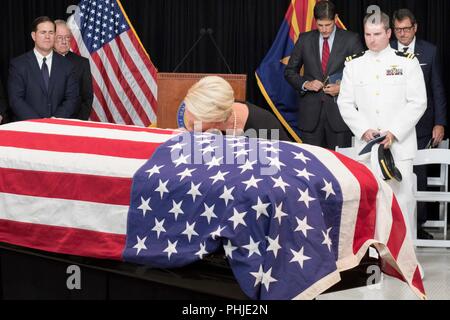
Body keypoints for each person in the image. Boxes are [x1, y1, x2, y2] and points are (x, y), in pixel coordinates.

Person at [337, 11, 427, 235]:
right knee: (370, 207)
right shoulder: (354, 65)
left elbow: (418, 102)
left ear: (388, 33)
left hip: (398, 148)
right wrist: (363, 129)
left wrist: (394, 132)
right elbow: (345, 103)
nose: (372, 39)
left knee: (402, 206)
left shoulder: (406, 62)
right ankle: (374, 261)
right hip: (366, 150)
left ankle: (406, 267)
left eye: (377, 34)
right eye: (368, 34)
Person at [391, 9, 448, 239]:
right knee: (394, 174)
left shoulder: (430, 51)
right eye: (398, 30)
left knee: (419, 174)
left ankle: (418, 224)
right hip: (393, 125)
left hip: (423, 124)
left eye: (406, 29)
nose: (402, 34)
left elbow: (437, 89)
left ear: (415, 28)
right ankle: (395, 224)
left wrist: (440, 122)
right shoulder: (387, 50)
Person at [284, 0, 363, 149]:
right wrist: (306, 84)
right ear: (315, 21)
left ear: (335, 19)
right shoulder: (304, 39)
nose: (324, 29)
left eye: (328, 25)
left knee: (341, 165)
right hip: (310, 117)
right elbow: (289, 72)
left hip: (340, 116)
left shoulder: (351, 40)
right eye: (320, 25)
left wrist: (341, 88)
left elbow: (362, 76)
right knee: (311, 165)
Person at [8, 16, 78, 121]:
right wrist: (39, 124)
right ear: (33, 36)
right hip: (28, 128)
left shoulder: (67, 65)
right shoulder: (18, 65)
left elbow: (72, 99)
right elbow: (16, 100)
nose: (47, 37)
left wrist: (54, 120)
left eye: (51, 32)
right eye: (43, 32)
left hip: (58, 127)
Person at [182, 76, 291, 141]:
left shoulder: (265, 128)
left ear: (217, 120)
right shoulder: (193, 112)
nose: (190, 132)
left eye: (194, 125)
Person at [54, 19, 93, 120]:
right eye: (59, 37)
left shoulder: (82, 63)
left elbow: (87, 98)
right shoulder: (41, 61)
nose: (64, 41)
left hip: (73, 122)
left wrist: (79, 123)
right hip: (45, 122)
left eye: (67, 37)